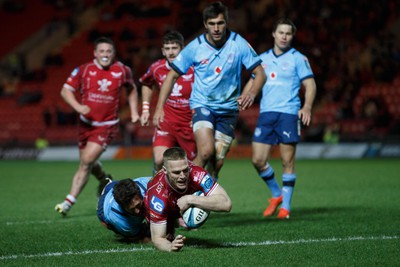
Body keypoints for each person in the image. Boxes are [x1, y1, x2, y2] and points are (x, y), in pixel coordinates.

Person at [152, 1, 266, 180]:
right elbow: (171, 76)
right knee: (205, 152)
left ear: (226, 22)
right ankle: (185, 190)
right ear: (205, 24)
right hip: (202, 105)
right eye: (211, 24)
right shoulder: (195, 47)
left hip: (228, 110)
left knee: (217, 162)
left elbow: (260, 73)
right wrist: (159, 107)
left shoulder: (239, 44)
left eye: (220, 23)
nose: (216, 28)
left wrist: (250, 93)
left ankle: (205, 193)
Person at [55, 36, 140, 216]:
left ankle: (68, 202)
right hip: (86, 125)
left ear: (113, 53)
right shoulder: (84, 70)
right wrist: (78, 107)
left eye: (109, 51)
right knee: (88, 162)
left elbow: (131, 88)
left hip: (106, 126)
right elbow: (65, 90)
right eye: (101, 51)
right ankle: (104, 178)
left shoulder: (122, 70)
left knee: (86, 162)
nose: (105, 54)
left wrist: (133, 110)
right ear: (95, 53)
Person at [245, 18, 317, 219]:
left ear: (292, 36)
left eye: (288, 33)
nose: (284, 36)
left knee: (287, 161)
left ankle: (285, 207)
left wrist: (307, 107)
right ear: (273, 34)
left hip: (288, 113)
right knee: (258, 159)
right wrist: (243, 98)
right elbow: (252, 83)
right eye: (281, 32)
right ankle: (276, 194)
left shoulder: (298, 59)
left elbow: (310, 85)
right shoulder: (262, 59)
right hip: (267, 113)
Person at [144, 147, 232, 252]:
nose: (182, 176)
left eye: (185, 170)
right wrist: (170, 247)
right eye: (176, 172)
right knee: (165, 237)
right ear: (165, 170)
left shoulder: (197, 173)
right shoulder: (157, 196)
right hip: (165, 206)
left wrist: (190, 199)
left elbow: (226, 204)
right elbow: (158, 238)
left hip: (182, 201)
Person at [139, 31, 196, 172]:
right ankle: (158, 188)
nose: (171, 52)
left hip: (189, 124)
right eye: (167, 49)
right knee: (159, 160)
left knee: (191, 166)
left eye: (174, 48)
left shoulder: (195, 68)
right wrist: (146, 109)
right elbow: (146, 83)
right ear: (163, 51)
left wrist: (199, 115)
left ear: (182, 49)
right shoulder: (157, 68)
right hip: (166, 122)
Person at [97, 177, 151, 242]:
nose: (137, 211)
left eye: (138, 205)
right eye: (131, 209)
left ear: (139, 194)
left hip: (114, 185)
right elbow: (143, 239)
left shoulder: (145, 184)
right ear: (122, 207)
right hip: (104, 208)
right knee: (144, 234)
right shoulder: (120, 220)